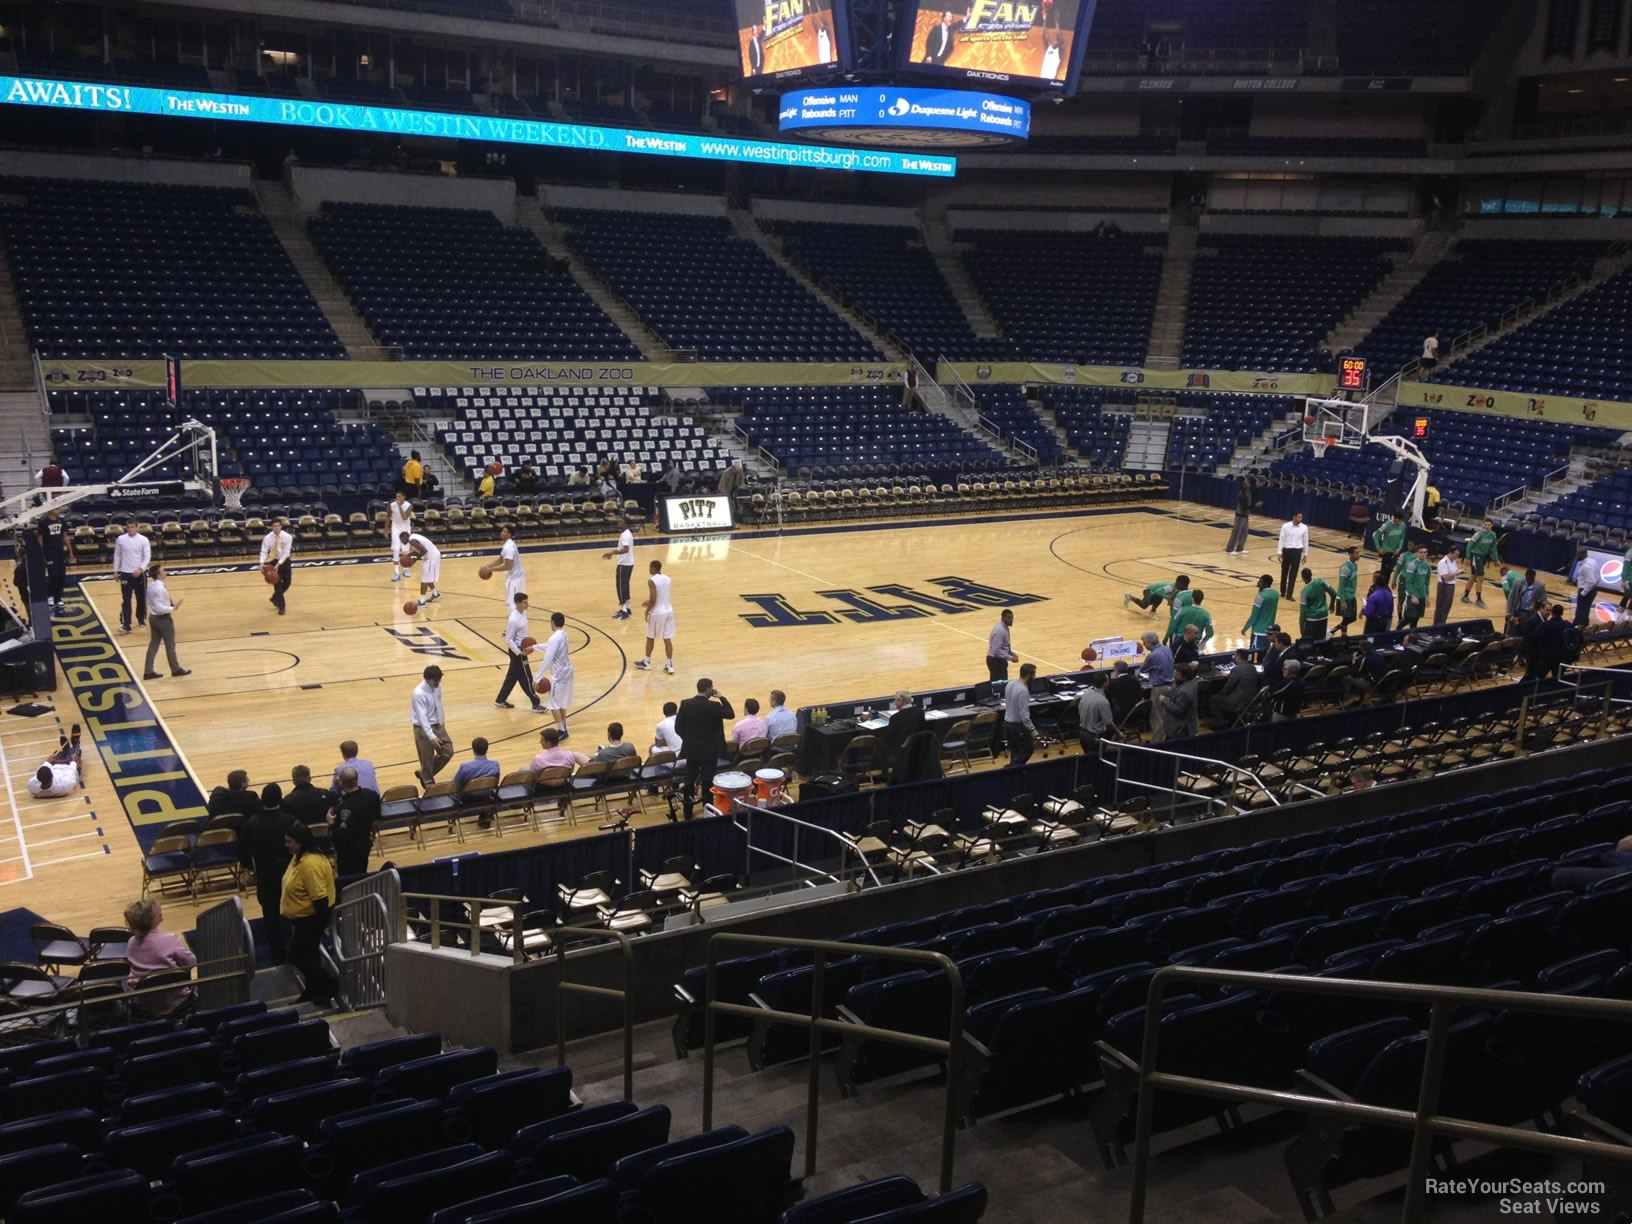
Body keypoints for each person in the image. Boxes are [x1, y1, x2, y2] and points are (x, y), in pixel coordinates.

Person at [281, 822, 337, 1005]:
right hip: (303, 919)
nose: (286, 845)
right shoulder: (299, 856)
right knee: (311, 956)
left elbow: (319, 899)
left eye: (289, 841)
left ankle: (330, 984)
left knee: (298, 956)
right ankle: (313, 992)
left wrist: (323, 924)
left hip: (311, 920)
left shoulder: (310, 864)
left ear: (300, 842)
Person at [240, 784, 296, 961]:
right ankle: (296, 945)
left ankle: (276, 951)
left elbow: (243, 852)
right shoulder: (290, 820)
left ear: (262, 799)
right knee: (296, 907)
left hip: (265, 873)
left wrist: (253, 869)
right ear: (280, 799)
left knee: (270, 912)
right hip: (289, 872)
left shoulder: (250, 823)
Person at [123, 898, 197, 1016]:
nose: (161, 912)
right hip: (175, 1003)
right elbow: (191, 962)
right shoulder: (170, 939)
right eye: (158, 912)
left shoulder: (131, 942)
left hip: (142, 1005)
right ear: (151, 920)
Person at [675, 678, 733, 820]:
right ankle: (707, 809)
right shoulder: (714, 706)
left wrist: (688, 739)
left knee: (689, 780)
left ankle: (687, 811)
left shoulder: (686, 704)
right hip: (710, 750)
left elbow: (678, 727)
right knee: (708, 780)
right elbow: (730, 714)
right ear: (708, 689)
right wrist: (721, 697)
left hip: (692, 749)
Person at [495, 591, 546, 712]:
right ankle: (535, 703)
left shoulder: (522, 613)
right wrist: (519, 652)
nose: (527, 604)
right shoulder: (514, 619)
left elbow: (510, 633)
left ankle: (500, 699)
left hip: (521, 649)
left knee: (512, 677)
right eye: (524, 602)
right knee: (526, 677)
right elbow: (508, 639)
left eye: (527, 602)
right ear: (518, 603)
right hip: (518, 651)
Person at [141, 563, 190, 679]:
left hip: (153, 617)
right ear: (159, 575)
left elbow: (148, 601)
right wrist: (173, 608)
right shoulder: (160, 589)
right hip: (162, 619)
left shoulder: (151, 586)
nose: (165, 571)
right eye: (163, 570)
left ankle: (148, 671)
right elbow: (159, 608)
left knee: (153, 644)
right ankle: (176, 669)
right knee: (170, 645)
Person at [534, 611, 575, 738]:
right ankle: (564, 726)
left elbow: (548, 659)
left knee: (553, 704)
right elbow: (550, 647)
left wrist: (537, 678)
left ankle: (562, 731)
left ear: (552, 622)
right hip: (568, 672)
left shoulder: (553, 638)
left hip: (559, 675)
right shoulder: (564, 635)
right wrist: (534, 647)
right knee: (561, 703)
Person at [411, 664, 454, 785]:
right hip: (423, 728)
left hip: (437, 725)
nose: (438, 682)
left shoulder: (437, 687)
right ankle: (428, 781)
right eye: (436, 680)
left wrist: (442, 723)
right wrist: (431, 736)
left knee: (448, 751)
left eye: (439, 679)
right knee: (427, 758)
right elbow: (422, 717)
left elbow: (439, 705)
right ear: (427, 679)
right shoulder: (418, 693)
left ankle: (424, 773)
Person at [635, 560, 676, 673]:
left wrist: (647, 610)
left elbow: (654, 599)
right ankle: (669, 665)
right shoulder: (668, 579)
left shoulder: (652, 581)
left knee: (650, 637)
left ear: (653, 568)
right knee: (667, 639)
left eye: (649, 567)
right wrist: (648, 602)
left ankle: (647, 662)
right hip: (669, 611)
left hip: (658, 612)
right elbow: (662, 595)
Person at [112, 519, 151, 634]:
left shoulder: (144, 540)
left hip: (140, 574)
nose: (130, 529)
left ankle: (141, 619)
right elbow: (117, 555)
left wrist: (141, 569)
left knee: (141, 598)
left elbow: (147, 557)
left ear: (137, 528)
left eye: (132, 527)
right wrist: (115, 571)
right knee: (126, 599)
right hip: (125, 573)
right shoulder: (121, 539)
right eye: (128, 527)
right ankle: (126, 624)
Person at [26, 723, 82, 798]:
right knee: (73, 753)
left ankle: (65, 750)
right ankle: (75, 742)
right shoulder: (65, 785)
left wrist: (48, 761)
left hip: (55, 766)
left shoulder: (32, 786)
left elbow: (41, 771)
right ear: (52, 775)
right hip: (67, 769)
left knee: (57, 755)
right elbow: (71, 771)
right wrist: (73, 761)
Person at [1208, 649, 1259, 728]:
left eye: (1235, 656)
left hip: (1237, 703)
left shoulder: (1236, 670)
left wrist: (1219, 693)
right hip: (1251, 701)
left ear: (1238, 657)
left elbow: (1228, 688)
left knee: (1213, 698)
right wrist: (1230, 676)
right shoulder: (1252, 668)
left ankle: (1221, 722)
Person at [1138, 631, 1174, 740]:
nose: (1144, 645)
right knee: (1169, 714)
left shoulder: (1153, 655)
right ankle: (1169, 737)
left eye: (1144, 643)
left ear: (1149, 642)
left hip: (1159, 688)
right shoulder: (1167, 649)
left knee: (1157, 716)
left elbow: (1142, 669)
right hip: (1172, 685)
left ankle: (1158, 742)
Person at [878, 690, 927, 768]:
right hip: (916, 747)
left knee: (878, 741)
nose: (895, 702)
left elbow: (888, 738)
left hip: (900, 749)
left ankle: (883, 772)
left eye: (896, 700)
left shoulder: (896, 717)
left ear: (900, 701)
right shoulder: (920, 712)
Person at [1002, 662, 1039, 768]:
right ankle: (1011, 768)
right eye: (1034, 674)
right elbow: (1024, 715)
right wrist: (1033, 731)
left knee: (1015, 751)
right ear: (1029, 675)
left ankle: (1014, 773)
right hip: (1017, 727)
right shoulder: (1023, 690)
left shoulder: (1010, 684)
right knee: (1027, 750)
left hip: (1007, 724)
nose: (1034, 677)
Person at [1524, 603, 1570, 682]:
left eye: (1549, 610)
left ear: (1552, 612)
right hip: (1559, 657)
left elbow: (1532, 638)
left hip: (1546, 657)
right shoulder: (1567, 624)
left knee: (1537, 678)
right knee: (1558, 678)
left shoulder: (1545, 624)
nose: (1548, 612)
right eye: (1547, 610)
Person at [38, 506, 71, 613]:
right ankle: (50, 596)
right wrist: (41, 553)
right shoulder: (43, 522)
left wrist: (71, 551)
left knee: (61, 576)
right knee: (53, 575)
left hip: (60, 552)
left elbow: (65, 537)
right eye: (57, 509)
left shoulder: (62, 521)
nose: (59, 510)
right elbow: (40, 539)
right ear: (51, 510)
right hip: (49, 552)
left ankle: (58, 597)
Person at [259, 516, 294, 616]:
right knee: (277, 585)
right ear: (272, 527)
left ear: (281, 526)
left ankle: (275, 597)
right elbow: (264, 551)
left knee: (287, 583)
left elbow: (286, 552)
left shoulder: (288, 537)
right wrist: (261, 563)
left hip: (284, 561)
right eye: (274, 526)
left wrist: (279, 564)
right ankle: (281, 607)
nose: (276, 528)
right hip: (273, 561)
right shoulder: (267, 538)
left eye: (278, 526)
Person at [602, 521, 636, 620]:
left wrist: (612, 552)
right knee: (625, 585)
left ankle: (624, 611)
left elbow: (626, 549)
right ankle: (628, 608)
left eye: (620, 522)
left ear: (625, 524)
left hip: (624, 564)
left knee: (620, 587)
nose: (618, 524)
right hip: (629, 563)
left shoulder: (624, 535)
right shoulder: (628, 533)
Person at [1463, 519, 1499, 607]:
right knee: (1481, 577)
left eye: (1489, 525)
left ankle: (1465, 596)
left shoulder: (1493, 535)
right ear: (1483, 525)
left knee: (1473, 576)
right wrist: (1467, 557)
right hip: (1476, 555)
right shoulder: (1478, 534)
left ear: (1492, 526)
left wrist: (1496, 559)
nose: (1487, 526)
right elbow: (1470, 545)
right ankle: (1478, 599)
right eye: (1485, 525)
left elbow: (1493, 548)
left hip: (1483, 557)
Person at [400, 530, 442, 603]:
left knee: (424, 580)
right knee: (426, 577)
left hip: (431, 557)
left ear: (405, 537)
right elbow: (418, 551)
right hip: (430, 556)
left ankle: (422, 601)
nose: (401, 542)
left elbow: (424, 551)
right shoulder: (413, 537)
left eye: (401, 539)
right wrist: (407, 555)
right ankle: (435, 594)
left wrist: (414, 560)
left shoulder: (412, 540)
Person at [1242, 574, 1279, 658]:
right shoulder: (1275, 594)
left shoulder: (1260, 596)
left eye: (1260, 581)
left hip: (1258, 631)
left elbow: (1254, 616)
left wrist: (1245, 628)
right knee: (1265, 655)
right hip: (1269, 632)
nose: (1258, 582)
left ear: (1265, 583)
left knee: (1254, 656)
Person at [1395, 545, 1432, 629]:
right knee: (1409, 617)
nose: (1423, 554)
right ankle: (1397, 630)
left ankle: (1411, 636)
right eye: (1421, 552)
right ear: (1417, 553)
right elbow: (1408, 582)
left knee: (1416, 619)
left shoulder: (1427, 566)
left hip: (1422, 595)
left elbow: (1427, 582)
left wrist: (1427, 596)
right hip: (1414, 595)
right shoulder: (1412, 565)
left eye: (1425, 552)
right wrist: (1412, 596)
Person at [491, 524, 526, 609]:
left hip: (515, 578)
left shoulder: (509, 547)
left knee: (513, 604)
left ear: (509, 534)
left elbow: (508, 566)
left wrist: (490, 569)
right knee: (513, 602)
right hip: (513, 577)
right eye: (502, 531)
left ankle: (515, 621)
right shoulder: (507, 544)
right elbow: (500, 559)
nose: (501, 533)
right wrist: (486, 567)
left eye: (504, 531)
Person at [1345, 640, 1390, 706]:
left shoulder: (1365, 659)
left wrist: (1354, 661)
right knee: (1362, 677)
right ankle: (1361, 699)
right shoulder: (1379, 655)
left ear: (1361, 648)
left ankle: (1346, 700)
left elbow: (1355, 674)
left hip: (1373, 685)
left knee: (1348, 678)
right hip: (1382, 682)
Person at [1161, 664, 1200, 740]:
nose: (1174, 676)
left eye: (1177, 674)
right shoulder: (1189, 684)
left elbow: (1178, 710)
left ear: (1185, 677)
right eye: (1174, 673)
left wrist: (1164, 701)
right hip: (1179, 727)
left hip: (1180, 729)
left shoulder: (1184, 691)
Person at [1298, 568, 1337, 642]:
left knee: (1308, 642)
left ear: (1302, 577)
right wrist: (1332, 604)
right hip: (1323, 616)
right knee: (1320, 641)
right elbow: (1334, 593)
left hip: (1311, 619)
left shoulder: (1304, 592)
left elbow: (1303, 612)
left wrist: (1301, 626)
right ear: (1311, 575)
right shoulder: (1321, 582)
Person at [1276, 512, 1309, 600]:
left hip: (1297, 552)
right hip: (1286, 551)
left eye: (1301, 517)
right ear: (1294, 517)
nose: (1300, 519)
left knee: (1293, 574)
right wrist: (1279, 552)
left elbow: (1305, 541)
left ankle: (1289, 594)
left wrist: (1305, 554)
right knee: (1284, 572)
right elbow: (1281, 539)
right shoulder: (1285, 526)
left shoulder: (1304, 527)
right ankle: (1282, 591)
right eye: (1299, 517)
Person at [1077, 673, 1113, 751]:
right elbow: (1108, 723)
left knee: (1088, 759)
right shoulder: (1103, 702)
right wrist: (1119, 733)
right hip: (1094, 737)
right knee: (1097, 760)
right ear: (1105, 683)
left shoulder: (1085, 694)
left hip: (1082, 734)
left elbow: (1079, 711)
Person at [1373, 512, 1407, 587]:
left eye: (1400, 521)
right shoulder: (1386, 525)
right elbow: (1376, 536)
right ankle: (1379, 587)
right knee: (1384, 572)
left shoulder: (1402, 525)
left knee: (1390, 571)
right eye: (1398, 521)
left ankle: (1385, 588)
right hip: (1387, 551)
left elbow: (1402, 538)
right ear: (1394, 518)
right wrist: (1378, 548)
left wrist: (1399, 548)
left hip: (1395, 552)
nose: (1399, 523)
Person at [986, 608, 1019, 683]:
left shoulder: (1004, 627)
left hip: (998, 660)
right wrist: (1011, 658)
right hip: (995, 661)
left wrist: (1011, 653)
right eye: (1009, 618)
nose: (1011, 620)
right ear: (1003, 618)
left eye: (1012, 617)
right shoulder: (1000, 630)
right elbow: (996, 651)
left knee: (1001, 682)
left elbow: (1004, 645)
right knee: (999, 684)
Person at [1226, 475, 1257, 555]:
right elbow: (1244, 507)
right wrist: (1255, 506)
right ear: (1244, 485)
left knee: (1244, 532)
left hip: (1245, 516)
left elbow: (1256, 489)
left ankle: (1240, 548)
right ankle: (1229, 549)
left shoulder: (1248, 491)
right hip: (1240, 515)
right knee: (1236, 532)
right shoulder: (1242, 494)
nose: (1249, 484)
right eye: (1247, 482)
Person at [1334, 546, 1361, 637]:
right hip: (1345, 596)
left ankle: (1333, 631)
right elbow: (1341, 585)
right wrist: (1342, 600)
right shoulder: (1345, 568)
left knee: (1352, 618)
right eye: (1357, 553)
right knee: (1346, 618)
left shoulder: (1355, 565)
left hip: (1352, 595)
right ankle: (1343, 636)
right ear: (1350, 554)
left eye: (1359, 553)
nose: (1359, 555)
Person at [388, 491, 414, 583]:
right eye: (396, 496)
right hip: (395, 528)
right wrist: (385, 529)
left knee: (405, 550)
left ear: (404, 497)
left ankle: (405, 569)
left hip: (405, 529)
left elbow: (404, 517)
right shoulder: (391, 505)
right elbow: (388, 516)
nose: (397, 498)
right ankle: (396, 572)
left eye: (399, 496)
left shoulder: (409, 505)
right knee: (396, 548)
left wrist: (399, 507)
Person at [1433, 549, 1464, 626]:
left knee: (1447, 607)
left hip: (1451, 585)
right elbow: (1445, 577)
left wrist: (1457, 573)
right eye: (1456, 555)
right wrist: (1457, 573)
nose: (1457, 557)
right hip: (1444, 586)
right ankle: (1437, 625)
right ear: (1450, 553)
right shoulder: (1443, 562)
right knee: (1441, 607)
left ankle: (1442, 624)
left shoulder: (1453, 561)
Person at [1573, 546, 1601, 629]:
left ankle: (1578, 626)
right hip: (1593, 589)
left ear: (1584, 553)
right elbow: (1598, 577)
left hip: (1586, 589)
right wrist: (1594, 586)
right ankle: (1583, 625)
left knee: (1581, 610)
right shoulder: (1593, 561)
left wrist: (1583, 593)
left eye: (1578, 554)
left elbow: (1591, 581)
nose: (1576, 557)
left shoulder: (1586, 566)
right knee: (1585, 609)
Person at [1106, 660, 1142, 726]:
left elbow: (1107, 698)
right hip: (1136, 713)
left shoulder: (1114, 684)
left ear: (1116, 671)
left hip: (1121, 716)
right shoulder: (1135, 680)